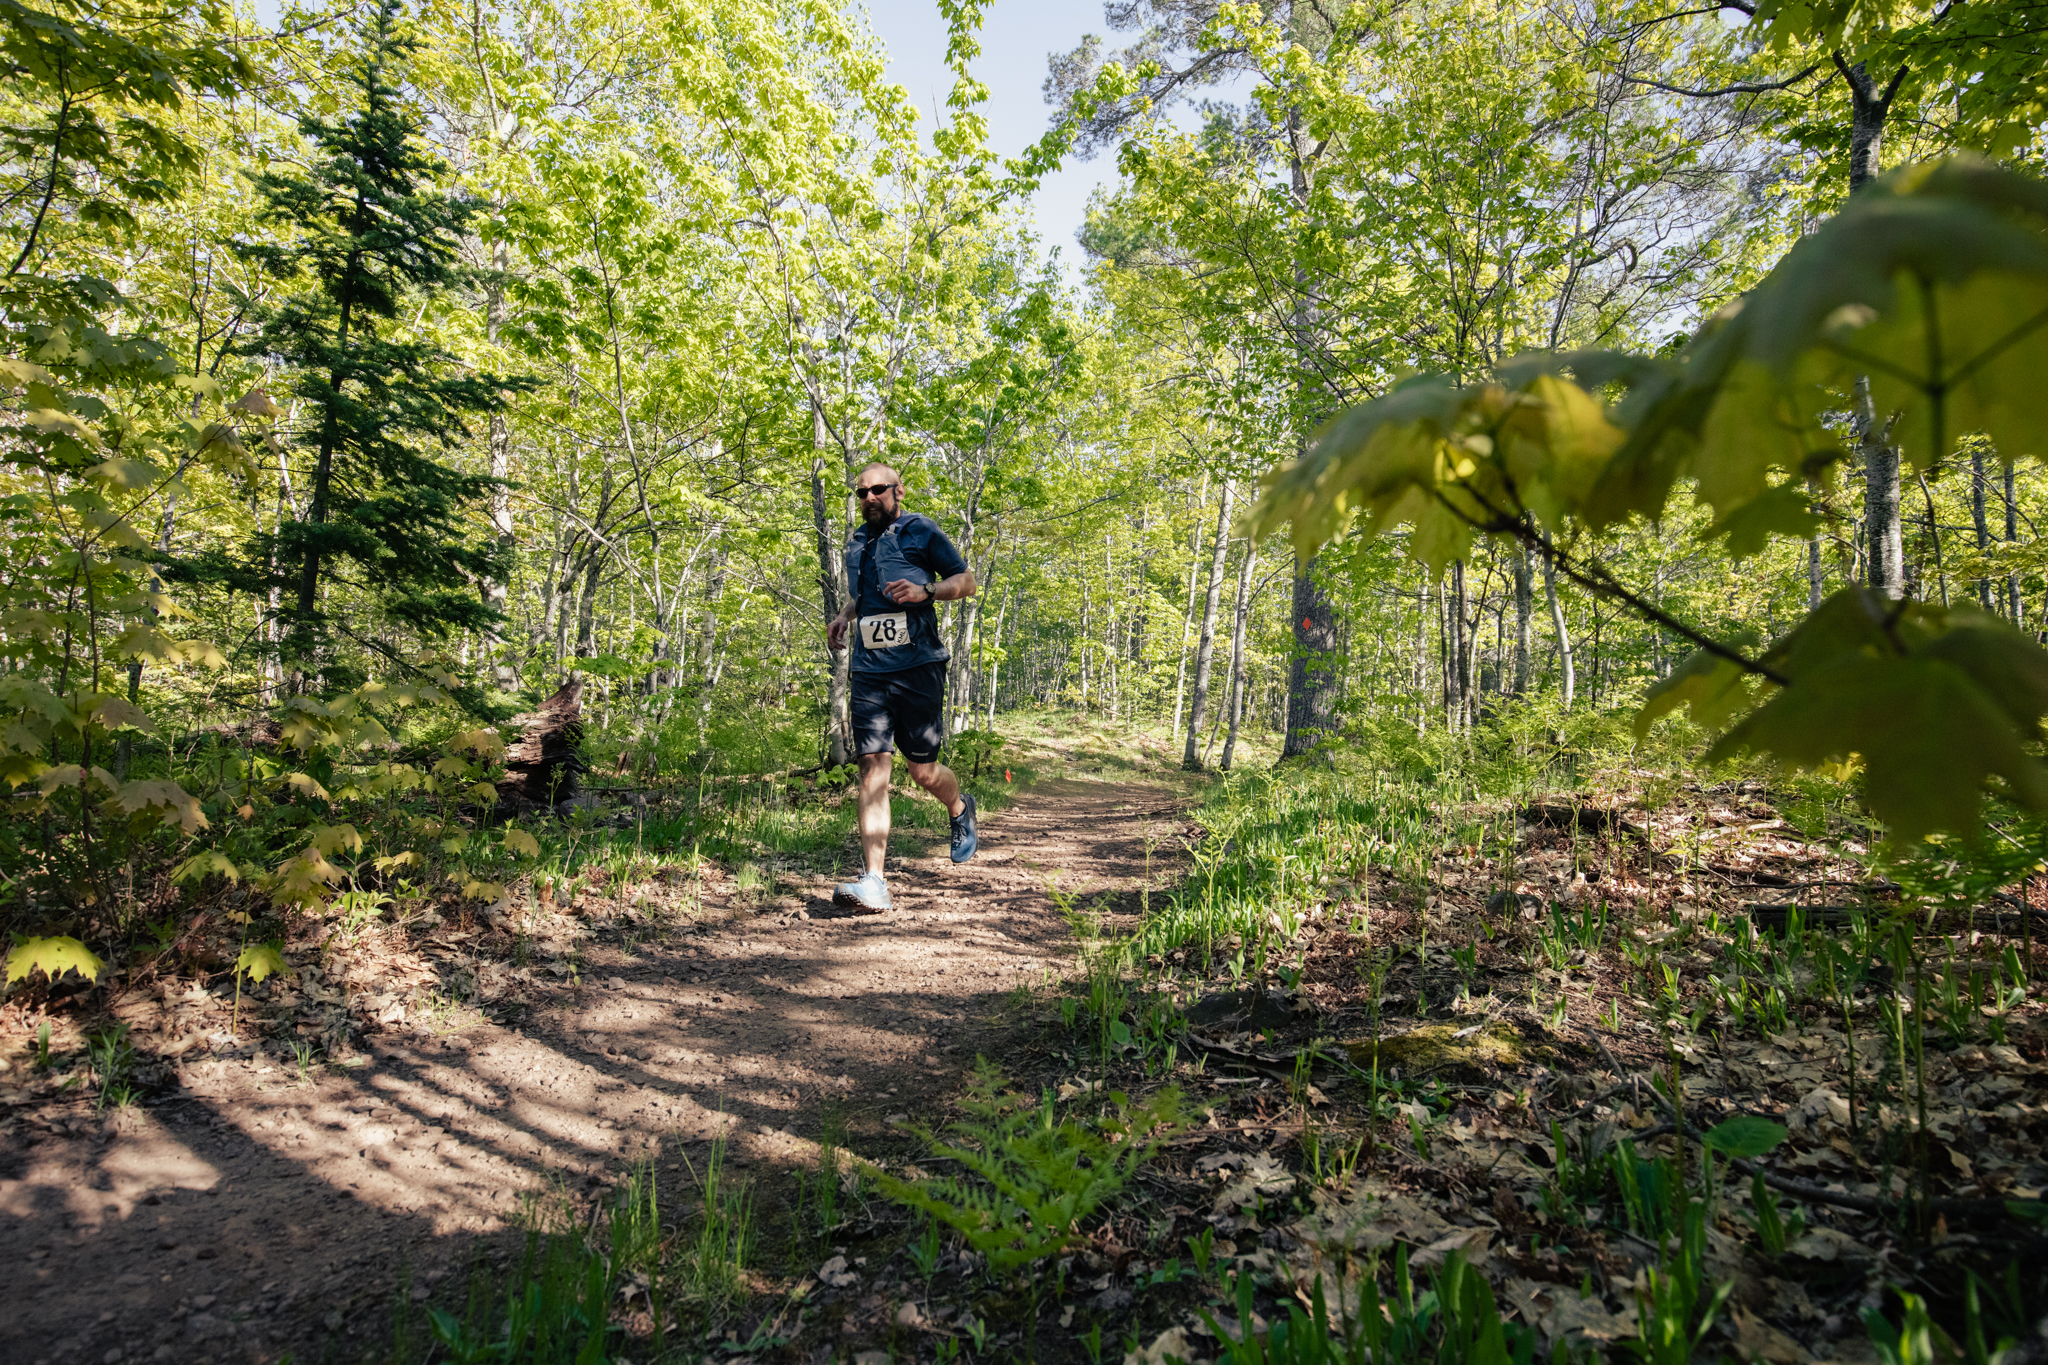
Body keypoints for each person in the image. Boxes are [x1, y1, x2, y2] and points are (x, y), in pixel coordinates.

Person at [823, 463, 979, 911]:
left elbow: (966, 582)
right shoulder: (857, 540)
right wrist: (844, 616)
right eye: (861, 493)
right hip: (870, 671)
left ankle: (959, 807)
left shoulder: (921, 530)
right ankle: (874, 880)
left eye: (878, 489)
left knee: (922, 771)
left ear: (898, 491)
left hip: (918, 666)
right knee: (872, 768)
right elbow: (866, 595)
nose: (869, 497)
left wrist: (926, 591)